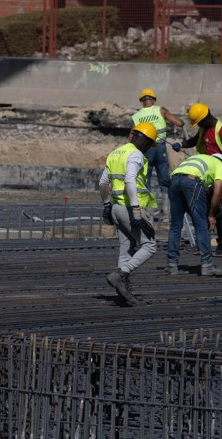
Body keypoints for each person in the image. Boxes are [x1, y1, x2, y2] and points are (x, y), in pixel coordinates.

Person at [99, 122, 158, 306]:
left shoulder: (116, 153)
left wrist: (107, 205)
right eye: (148, 144)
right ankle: (120, 275)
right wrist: (136, 210)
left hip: (117, 208)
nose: (148, 148)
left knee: (126, 249)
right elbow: (130, 180)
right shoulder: (135, 155)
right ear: (144, 140)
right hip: (130, 209)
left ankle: (123, 292)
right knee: (149, 246)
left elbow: (102, 183)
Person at [172, 103, 222, 257]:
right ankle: (202, 244)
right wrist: (181, 144)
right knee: (202, 203)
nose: (199, 125)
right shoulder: (204, 128)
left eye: (199, 122)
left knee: (220, 206)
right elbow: (193, 141)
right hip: (206, 171)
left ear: (205, 117)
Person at [165, 153, 222, 277]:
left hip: (174, 181)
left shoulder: (199, 158)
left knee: (175, 226)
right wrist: (211, 215)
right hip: (192, 182)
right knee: (201, 225)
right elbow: (217, 191)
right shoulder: (220, 164)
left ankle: (172, 265)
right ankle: (207, 265)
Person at [131, 88, 185, 209]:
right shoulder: (161, 110)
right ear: (153, 100)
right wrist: (182, 122)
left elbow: (131, 136)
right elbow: (178, 122)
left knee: (146, 180)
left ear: (142, 101)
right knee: (164, 180)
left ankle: (148, 212)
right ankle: (166, 213)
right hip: (160, 148)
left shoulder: (137, 116)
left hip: (145, 150)